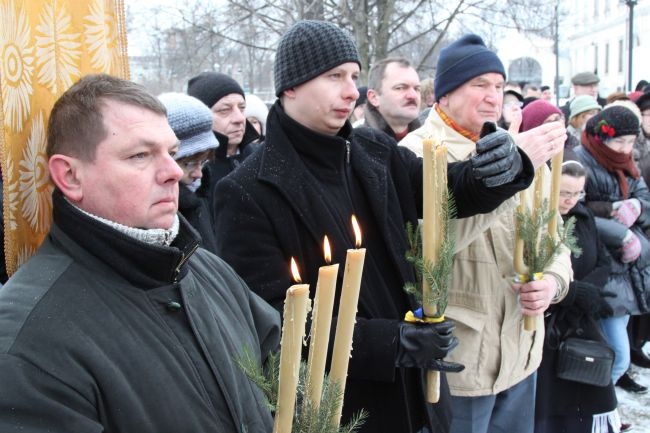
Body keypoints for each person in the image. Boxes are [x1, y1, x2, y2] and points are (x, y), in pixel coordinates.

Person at [213, 21, 534, 433]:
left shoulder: (373, 150)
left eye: (353, 76)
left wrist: (501, 167)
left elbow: (449, 190)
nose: (352, 91)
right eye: (334, 77)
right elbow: (270, 319)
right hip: (347, 409)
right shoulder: (247, 189)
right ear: (290, 85)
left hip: (422, 395)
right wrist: (390, 343)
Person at [0, 74, 281, 432]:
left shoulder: (206, 269)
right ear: (70, 176)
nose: (173, 172)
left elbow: (283, 376)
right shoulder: (27, 340)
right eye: (140, 155)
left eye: (172, 153)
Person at [401, 34, 572, 433]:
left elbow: (555, 238)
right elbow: (426, 254)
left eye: (498, 85)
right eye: (479, 85)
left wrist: (553, 282)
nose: (493, 96)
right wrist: (506, 173)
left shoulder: (518, 148)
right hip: (459, 369)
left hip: (522, 354)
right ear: (443, 96)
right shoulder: (413, 152)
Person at [534, 160, 623, 433]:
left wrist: (589, 290)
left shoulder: (583, 216)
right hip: (551, 324)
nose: (570, 200)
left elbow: (604, 261)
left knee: (595, 379)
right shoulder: (540, 218)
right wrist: (574, 291)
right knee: (553, 398)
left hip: (582, 316)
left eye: (577, 193)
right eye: (564, 192)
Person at [574, 105, 650, 395]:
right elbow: (578, 210)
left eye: (630, 142)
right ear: (601, 137)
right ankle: (602, 410)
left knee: (618, 349)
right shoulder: (582, 160)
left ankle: (607, 414)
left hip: (630, 270)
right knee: (616, 354)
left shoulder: (628, 162)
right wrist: (618, 228)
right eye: (619, 141)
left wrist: (637, 206)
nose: (625, 148)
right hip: (602, 264)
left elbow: (644, 196)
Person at [186, 72, 261, 206]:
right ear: (201, 117)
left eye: (242, 108)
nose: (239, 118)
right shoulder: (193, 172)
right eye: (225, 110)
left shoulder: (262, 156)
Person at [158, 92, 220, 254]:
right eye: (189, 163)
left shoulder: (203, 192)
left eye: (204, 161)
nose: (199, 174)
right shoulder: (161, 212)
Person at [365, 57, 422, 141]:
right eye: (400, 88)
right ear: (374, 98)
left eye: (417, 89)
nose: (413, 95)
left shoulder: (433, 141)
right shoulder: (355, 146)